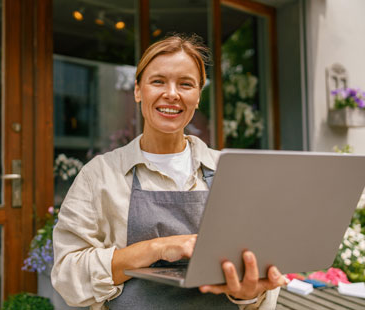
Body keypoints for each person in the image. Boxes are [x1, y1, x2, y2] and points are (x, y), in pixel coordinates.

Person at [52, 34, 285, 309]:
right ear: (138, 91)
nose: (172, 94)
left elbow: (262, 267)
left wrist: (249, 293)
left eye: (186, 84)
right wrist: (157, 248)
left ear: (198, 96)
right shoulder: (99, 175)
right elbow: (67, 274)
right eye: (158, 81)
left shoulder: (231, 172)